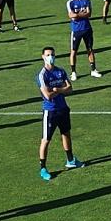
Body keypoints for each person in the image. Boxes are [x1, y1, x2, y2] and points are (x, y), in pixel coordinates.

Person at [37, 47, 83, 180]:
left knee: (66, 134)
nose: (50, 57)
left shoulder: (60, 71)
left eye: (52, 54)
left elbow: (70, 89)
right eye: (48, 55)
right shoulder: (42, 75)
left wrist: (57, 90)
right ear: (43, 57)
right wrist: (61, 90)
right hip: (50, 111)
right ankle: (43, 168)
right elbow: (47, 95)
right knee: (46, 140)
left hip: (63, 109)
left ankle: (70, 160)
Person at [66, 0, 101, 81]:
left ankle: (93, 70)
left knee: (90, 49)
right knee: (74, 51)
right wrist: (82, 14)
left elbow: (89, 14)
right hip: (76, 30)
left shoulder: (86, 0)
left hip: (87, 28)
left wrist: (78, 15)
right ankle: (73, 72)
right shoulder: (70, 3)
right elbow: (71, 15)